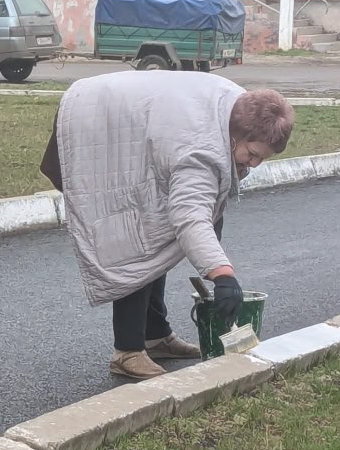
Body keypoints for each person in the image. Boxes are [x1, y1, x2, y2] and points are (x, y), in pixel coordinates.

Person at [40, 71, 293, 380]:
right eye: (251, 155)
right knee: (136, 239)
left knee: (159, 233)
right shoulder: (202, 149)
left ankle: (154, 335)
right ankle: (128, 351)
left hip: (131, 124)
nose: (253, 164)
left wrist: (213, 262)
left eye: (261, 159)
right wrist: (222, 275)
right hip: (92, 127)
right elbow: (190, 218)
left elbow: (205, 211)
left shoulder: (241, 110)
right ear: (236, 135)